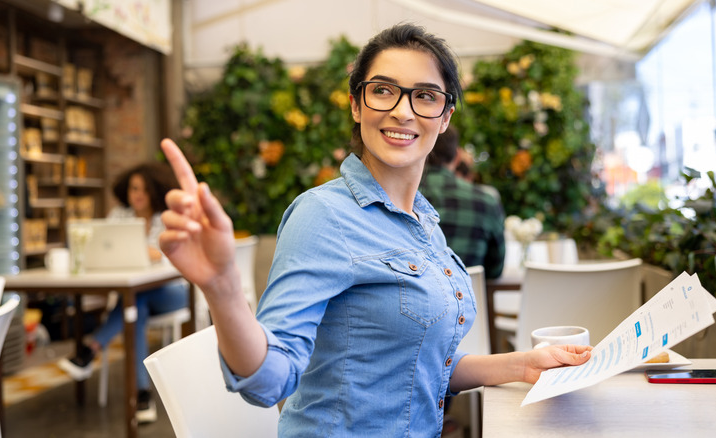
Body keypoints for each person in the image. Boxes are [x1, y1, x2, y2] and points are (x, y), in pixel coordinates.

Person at [158, 24, 591, 437]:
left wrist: (526, 365)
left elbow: (421, 359)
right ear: (356, 104)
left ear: (444, 117)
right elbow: (268, 382)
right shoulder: (323, 215)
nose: (402, 110)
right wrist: (223, 287)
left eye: (424, 96)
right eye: (383, 90)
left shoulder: (424, 222)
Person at [57, 162, 188, 424]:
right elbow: (104, 246)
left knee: (136, 300)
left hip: (173, 293)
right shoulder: (119, 215)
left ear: (155, 191)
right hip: (139, 295)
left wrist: (133, 247)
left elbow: (165, 254)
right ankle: (141, 394)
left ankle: (89, 350)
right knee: (134, 307)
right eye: (133, 188)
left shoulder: (167, 216)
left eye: (143, 189)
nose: (137, 194)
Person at [419, 125, 507, 278]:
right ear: (457, 156)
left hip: (415, 296)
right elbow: (495, 269)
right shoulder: (487, 201)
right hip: (470, 297)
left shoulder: (401, 195)